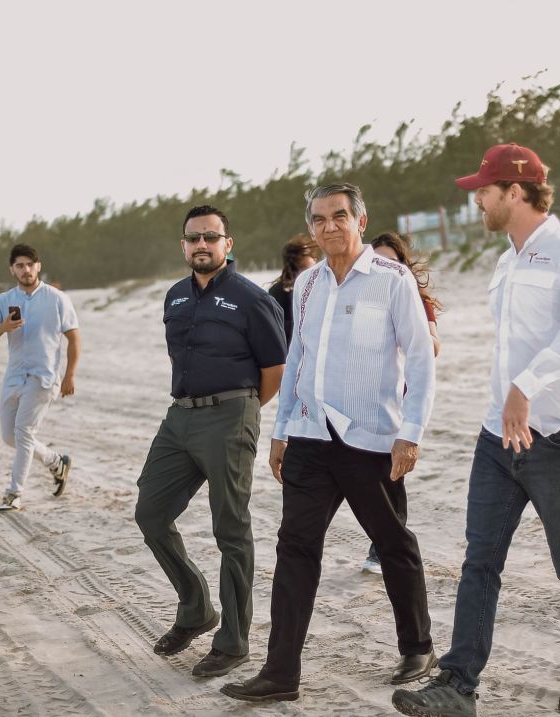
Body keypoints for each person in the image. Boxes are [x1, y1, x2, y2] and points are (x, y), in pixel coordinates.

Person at [391, 143, 560, 717]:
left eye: (484, 191)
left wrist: (525, 387)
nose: (477, 200)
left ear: (515, 192)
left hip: (558, 437)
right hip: (497, 437)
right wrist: (507, 398)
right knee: (480, 560)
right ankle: (458, 684)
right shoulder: (506, 261)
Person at [221, 183, 436, 703]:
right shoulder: (308, 283)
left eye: (339, 216)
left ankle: (418, 646)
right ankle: (280, 673)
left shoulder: (393, 280)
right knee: (295, 548)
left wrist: (410, 434)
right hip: (310, 436)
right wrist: (281, 429)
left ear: (360, 221)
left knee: (392, 542)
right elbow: (297, 357)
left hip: (370, 438)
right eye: (318, 219)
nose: (329, 226)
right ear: (311, 228)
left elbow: (420, 357)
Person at [134, 205, 286, 678]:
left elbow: (275, 369)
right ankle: (196, 607)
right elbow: (178, 357)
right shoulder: (175, 296)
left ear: (227, 244)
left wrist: (241, 411)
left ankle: (234, 641)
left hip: (230, 415)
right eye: (194, 237)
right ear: (183, 245)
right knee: (150, 513)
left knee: (230, 528)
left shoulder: (251, 298)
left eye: (211, 237)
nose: (202, 244)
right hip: (179, 417)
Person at [360, 230, 442, 575]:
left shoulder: (414, 299)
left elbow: (432, 347)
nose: (385, 269)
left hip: (400, 400)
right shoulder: (358, 295)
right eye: (377, 262)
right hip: (362, 398)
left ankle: (385, 549)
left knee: (392, 473)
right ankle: (384, 544)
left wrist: (411, 333)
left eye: (392, 262)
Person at [0, 244, 80, 511]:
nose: (26, 270)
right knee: (9, 437)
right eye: (19, 266)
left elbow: (73, 338)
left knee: (23, 432)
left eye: (30, 264)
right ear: (12, 270)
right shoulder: (3, 300)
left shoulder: (57, 298)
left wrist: (69, 376)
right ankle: (56, 461)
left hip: (43, 378)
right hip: (13, 377)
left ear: (38, 266)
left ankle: (14, 493)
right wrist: (3, 327)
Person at [268, 234, 319, 346]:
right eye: (309, 254)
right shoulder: (284, 291)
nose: (314, 259)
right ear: (297, 259)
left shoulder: (276, 290)